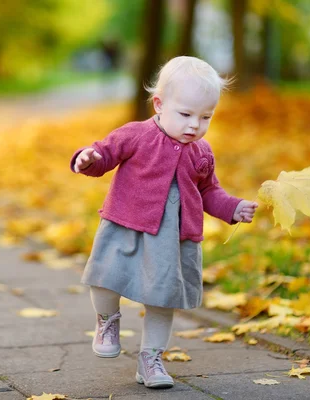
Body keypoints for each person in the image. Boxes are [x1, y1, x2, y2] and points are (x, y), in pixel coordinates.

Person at [69, 56, 258, 389]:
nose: (194, 126)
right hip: (125, 226)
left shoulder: (201, 152)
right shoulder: (136, 134)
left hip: (172, 240)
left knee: (162, 299)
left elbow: (210, 192)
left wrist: (234, 208)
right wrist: (88, 159)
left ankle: (151, 358)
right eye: (185, 114)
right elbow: (105, 154)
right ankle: (107, 319)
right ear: (159, 104)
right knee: (103, 279)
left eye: (205, 117)